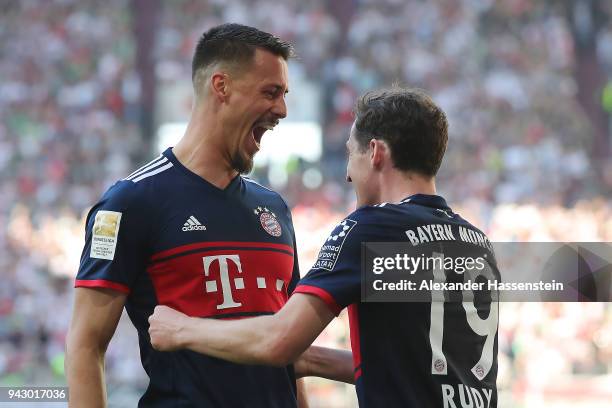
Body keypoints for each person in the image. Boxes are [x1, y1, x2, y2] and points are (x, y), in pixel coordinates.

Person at [148, 87, 501, 407]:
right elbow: (429, 371)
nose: (348, 174)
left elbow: (277, 339)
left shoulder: (371, 230)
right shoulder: (477, 243)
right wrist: (312, 360)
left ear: (375, 152)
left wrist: (182, 329)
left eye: (351, 155)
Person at [66, 23, 347, 408]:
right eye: (271, 92)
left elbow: (286, 348)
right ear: (221, 86)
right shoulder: (131, 202)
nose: (282, 109)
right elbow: (86, 344)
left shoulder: (275, 209)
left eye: (283, 95)